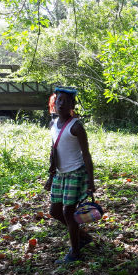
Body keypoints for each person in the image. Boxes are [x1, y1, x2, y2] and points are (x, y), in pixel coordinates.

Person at [44, 87, 95, 263]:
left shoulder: (76, 126)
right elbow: (54, 150)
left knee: (68, 212)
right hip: (60, 174)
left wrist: (91, 181)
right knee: (54, 211)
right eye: (59, 100)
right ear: (54, 102)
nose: (61, 104)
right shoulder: (52, 124)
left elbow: (86, 155)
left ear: (72, 104)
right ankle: (83, 237)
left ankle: (75, 252)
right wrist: (51, 176)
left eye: (66, 101)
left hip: (75, 173)